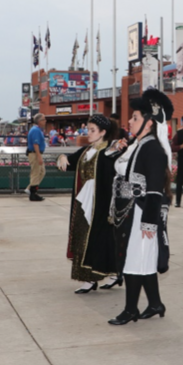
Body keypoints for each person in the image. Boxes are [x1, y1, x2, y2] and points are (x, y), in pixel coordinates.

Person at [107, 89, 173, 326]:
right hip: (132, 211)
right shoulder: (137, 145)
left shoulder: (152, 149)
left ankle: (130, 310)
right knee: (141, 260)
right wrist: (117, 149)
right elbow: (115, 168)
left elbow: (155, 190)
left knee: (136, 261)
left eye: (135, 117)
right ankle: (155, 303)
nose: (130, 122)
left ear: (148, 122)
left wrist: (149, 222)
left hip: (143, 212)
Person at [57, 114, 121, 293]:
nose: (89, 133)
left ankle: (101, 275)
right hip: (84, 201)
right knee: (83, 236)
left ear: (103, 132)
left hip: (101, 203)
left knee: (99, 239)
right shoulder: (87, 151)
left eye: (92, 130)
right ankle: (94, 276)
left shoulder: (110, 151)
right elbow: (69, 161)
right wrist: (62, 157)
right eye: (88, 130)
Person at [26, 113, 47, 202]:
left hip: (36, 153)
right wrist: (39, 156)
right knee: (36, 172)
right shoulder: (36, 130)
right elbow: (35, 144)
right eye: (43, 119)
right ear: (39, 121)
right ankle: (33, 193)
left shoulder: (37, 130)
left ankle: (30, 188)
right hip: (35, 153)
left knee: (41, 172)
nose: (45, 121)